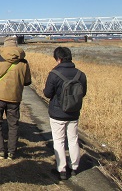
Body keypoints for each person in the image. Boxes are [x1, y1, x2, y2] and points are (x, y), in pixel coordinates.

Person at [43, 47, 87, 180]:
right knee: (73, 139)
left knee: (59, 140)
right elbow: (82, 93)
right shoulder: (81, 74)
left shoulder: (54, 74)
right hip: (74, 112)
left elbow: (47, 93)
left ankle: (61, 170)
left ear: (59, 59)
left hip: (57, 113)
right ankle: (74, 167)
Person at [0, 36, 31, 160]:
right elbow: (27, 81)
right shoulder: (24, 62)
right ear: (16, 46)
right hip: (15, 97)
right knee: (13, 124)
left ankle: (0, 149)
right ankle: (12, 151)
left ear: (5, 45)